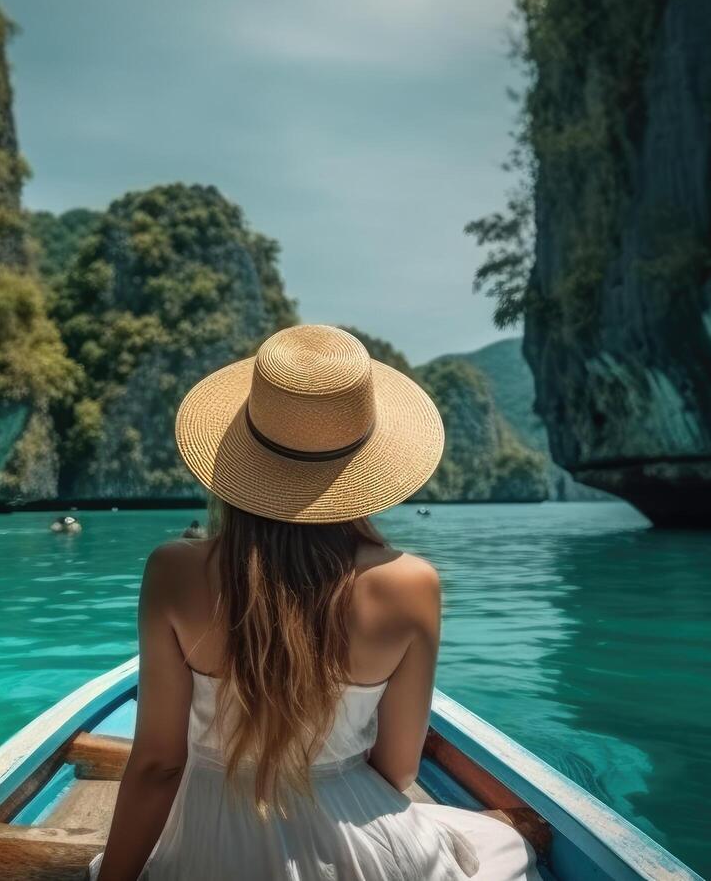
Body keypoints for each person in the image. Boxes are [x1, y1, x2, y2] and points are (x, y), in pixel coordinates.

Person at [93, 325, 539, 881]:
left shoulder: (173, 570)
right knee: (502, 847)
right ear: (369, 464)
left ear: (239, 458)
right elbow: (398, 769)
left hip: (209, 844)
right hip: (358, 844)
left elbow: (159, 764)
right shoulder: (412, 583)